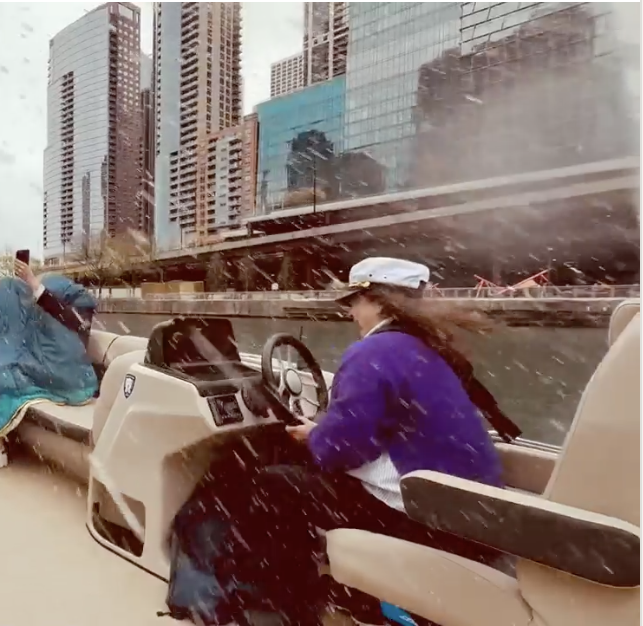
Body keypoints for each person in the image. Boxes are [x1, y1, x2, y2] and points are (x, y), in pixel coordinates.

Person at [178, 257, 509, 625]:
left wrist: (315, 436)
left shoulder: (371, 354)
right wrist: (322, 433)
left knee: (272, 485)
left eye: (353, 301)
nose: (350, 312)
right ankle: (338, 590)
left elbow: (341, 452)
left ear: (378, 300)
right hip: (469, 516)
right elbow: (376, 431)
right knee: (295, 475)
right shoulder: (430, 348)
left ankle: (284, 604)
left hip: (421, 520)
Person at [0, 258, 94, 473]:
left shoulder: (72, 310)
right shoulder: (39, 309)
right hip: (44, 365)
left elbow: (71, 323)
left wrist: (34, 285)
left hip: (64, 375)